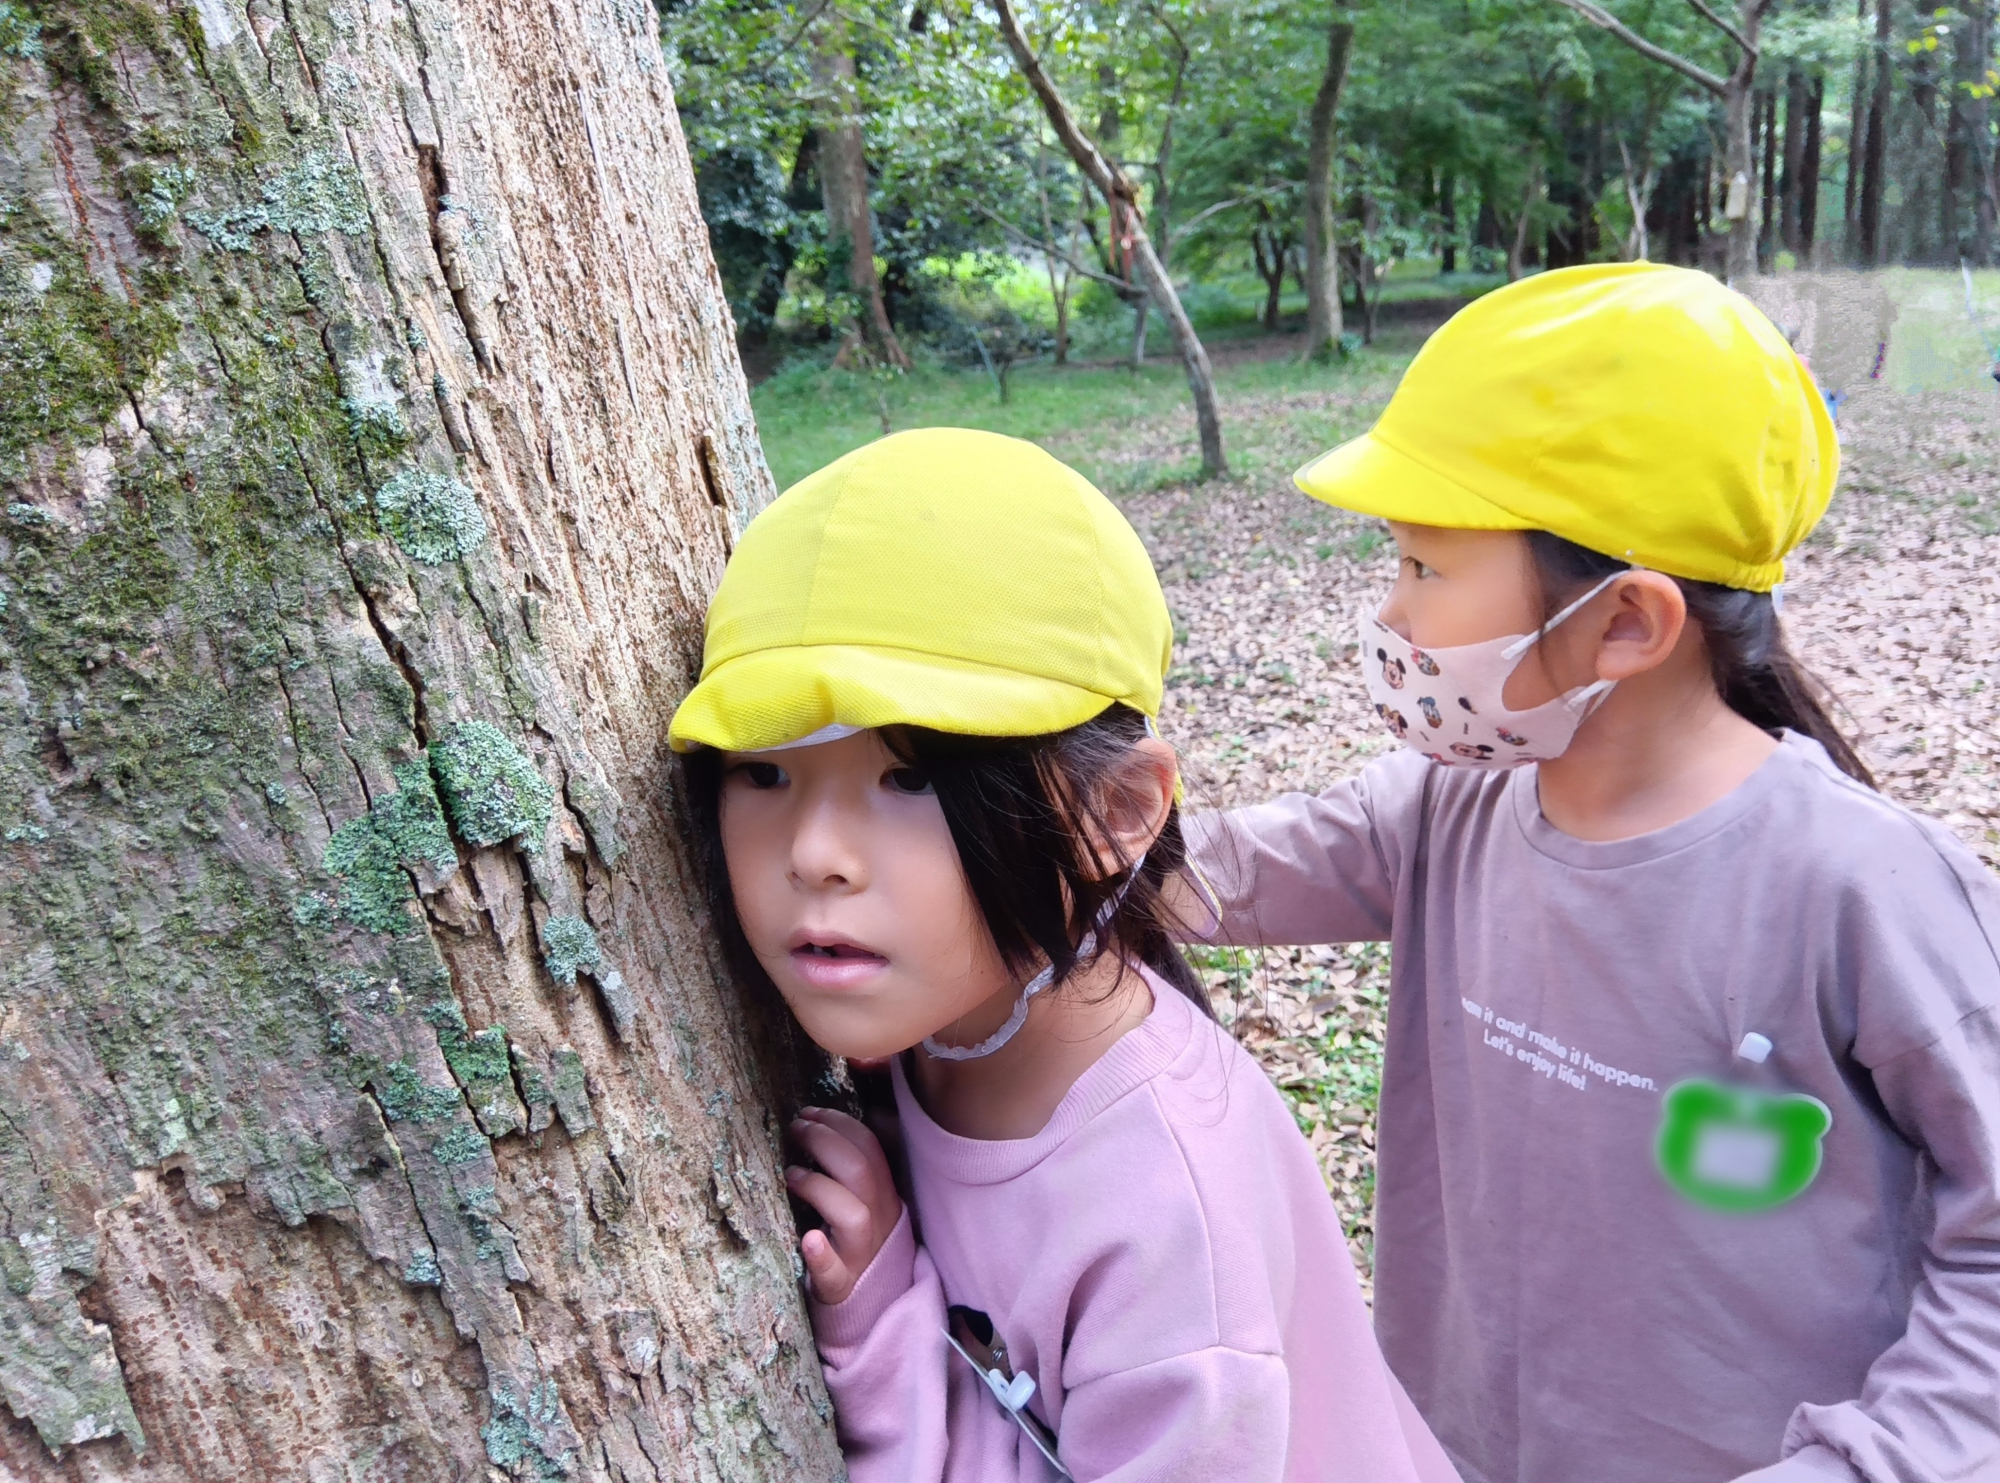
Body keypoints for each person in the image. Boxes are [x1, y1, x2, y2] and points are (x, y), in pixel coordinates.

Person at [1179, 263, 2000, 1483]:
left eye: (1423, 568)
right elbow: (1212, 875)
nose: (1389, 618)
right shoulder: (1448, 805)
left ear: (1625, 622)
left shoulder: (1863, 891)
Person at [668, 428, 1458, 1482]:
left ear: (1116, 813)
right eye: (761, 772)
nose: (814, 854)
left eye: (910, 781)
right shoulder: (933, 1017)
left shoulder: (1167, 1230)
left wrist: (887, 1339)